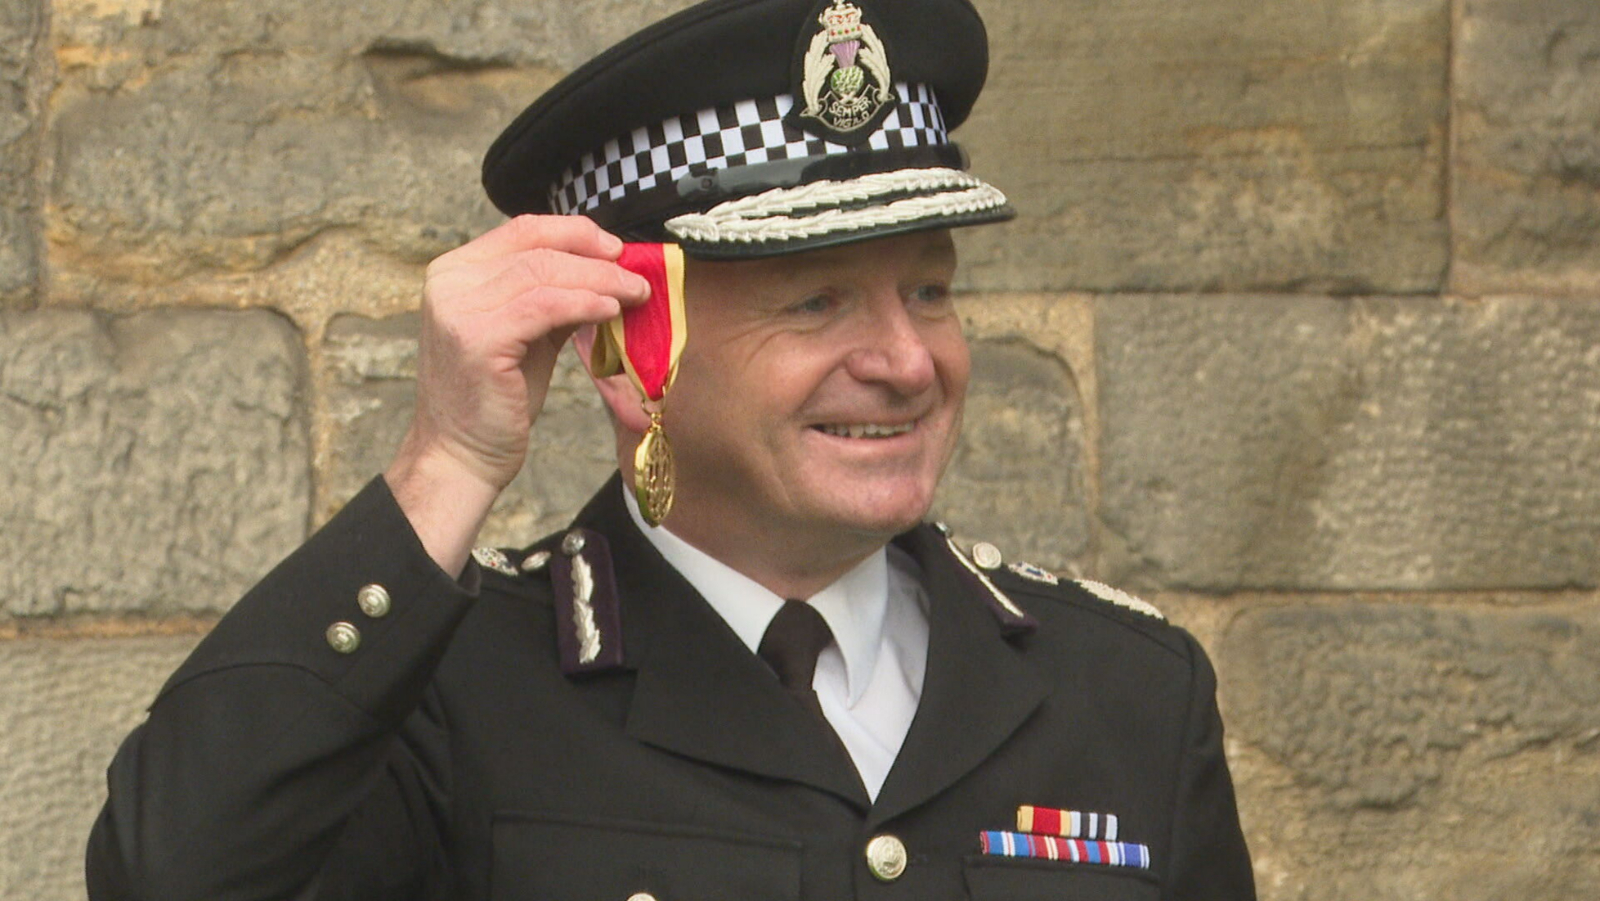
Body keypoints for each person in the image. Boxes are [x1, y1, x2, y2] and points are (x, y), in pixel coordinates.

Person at [87, 0, 1255, 898]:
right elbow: (170, 874)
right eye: (817, 304)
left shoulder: (1127, 692)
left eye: (930, 291)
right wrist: (444, 461)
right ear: (624, 352)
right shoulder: (453, 692)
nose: (907, 359)